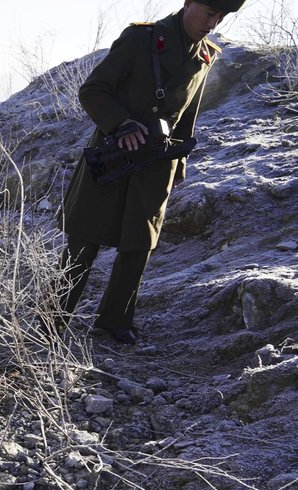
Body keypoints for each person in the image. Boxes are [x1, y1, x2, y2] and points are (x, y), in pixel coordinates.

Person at [56, 0, 244, 344]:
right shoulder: (141, 39)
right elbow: (93, 89)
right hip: (113, 154)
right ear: (188, 4)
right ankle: (53, 317)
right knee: (84, 240)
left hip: (156, 163)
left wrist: (180, 162)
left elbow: (186, 116)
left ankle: (114, 321)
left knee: (138, 244)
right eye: (208, 13)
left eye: (220, 17)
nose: (212, 23)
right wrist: (121, 124)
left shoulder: (205, 55)